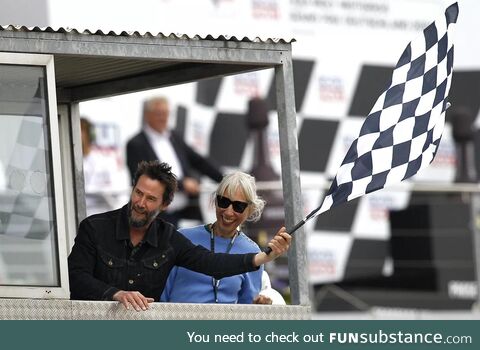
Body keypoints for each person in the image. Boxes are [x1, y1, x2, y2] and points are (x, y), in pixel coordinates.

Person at [68, 160, 291, 311]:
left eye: (151, 198)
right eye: (138, 193)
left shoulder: (170, 239)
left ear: (165, 205)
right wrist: (116, 293)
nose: (141, 203)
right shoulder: (94, 227)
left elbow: (213, 265)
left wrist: (262, 259)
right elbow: (75, 277)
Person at [160, 172, 266, 304]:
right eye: (223, 202)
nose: (228, 212)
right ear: (215, 200)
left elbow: (247, 308)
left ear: (250, 210)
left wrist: (259, 305)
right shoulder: (183, 236)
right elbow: (162, 293)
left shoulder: (252, 251)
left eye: (238, 206)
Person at [126, 97, 223, 227]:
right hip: (159, 214)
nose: (163, 118)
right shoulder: (136, 144)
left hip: (187, 208)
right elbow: (145, 178)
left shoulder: (174, 136)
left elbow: (198, 161)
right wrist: (182, 184)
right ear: (147, 115)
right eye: (158, 114)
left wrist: (224, 179)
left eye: (166, 114)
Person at [81, 117, 128, 216]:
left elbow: (118, 192)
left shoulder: (106, 161)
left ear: (90, 136)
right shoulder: (65, 163)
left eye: (81, 131)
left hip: (102, 216)